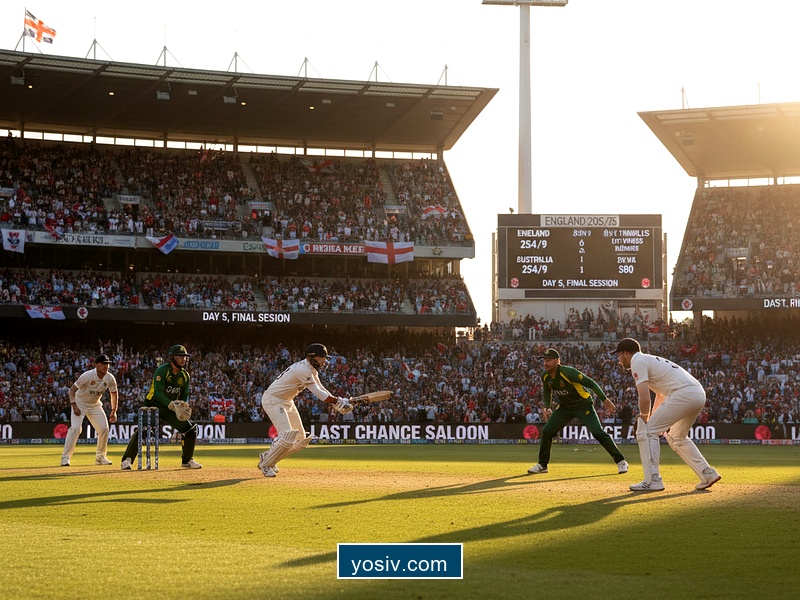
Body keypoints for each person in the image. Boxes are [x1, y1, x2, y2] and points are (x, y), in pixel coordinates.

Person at [611, 337, 721, 492]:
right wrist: (651, 418)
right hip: (697, 393)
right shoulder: (648, 360)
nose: (619, 360)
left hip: (683, 394)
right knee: (675, 437)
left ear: (626, 353)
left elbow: (644, 396)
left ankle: (652, 480)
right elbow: (660, 395)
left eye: (619, 356)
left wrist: (644, 417)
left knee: (648, 432)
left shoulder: (638, 361)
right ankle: (707, 473)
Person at [527, 348, 628, 476]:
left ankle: (621, 461)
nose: (545, 363)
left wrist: (605, 400)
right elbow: (547, 391)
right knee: (547, 431)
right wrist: (547, 406)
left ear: (558, 361)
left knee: (598, 432)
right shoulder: (545, 376)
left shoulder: (568, 372)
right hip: (565, 407)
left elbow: (591, 383)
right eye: (544, 361)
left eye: (549, 360)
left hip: (583, 405)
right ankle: (542, 465)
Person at [257, 343, 352, 477]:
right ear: (312, 357)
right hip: (273, 400)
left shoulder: (311, 369)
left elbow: (322, 388)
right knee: (287, 436)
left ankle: (268, 457)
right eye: (322, 357)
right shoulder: (302, 370)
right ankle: (266, 465)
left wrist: (339, 401)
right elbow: (319, 394)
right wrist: (338, 401)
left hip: (287, 401)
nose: (324, 361)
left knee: (301, 441)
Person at [120, 344, 202, 470]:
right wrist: (171, 404)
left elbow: (184, 395)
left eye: (185, 357)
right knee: (143, 430)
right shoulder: (162, 370)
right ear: (172, 357)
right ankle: (127, 460)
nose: (183, 359)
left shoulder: (185, 376)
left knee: (190, 430)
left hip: (171, 408)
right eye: (180, 356)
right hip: (153, 404)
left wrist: (182, 406)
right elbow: (157, 393)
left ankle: (187, 460)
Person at [60, 354, 118, 466]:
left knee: (104, 429)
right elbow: (72, 391)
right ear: (96, 364)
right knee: (76, 429)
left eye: (108, 364)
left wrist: (114, 410)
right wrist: (74, 405)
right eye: (103, 364)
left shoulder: (110, 378)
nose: (106, 366)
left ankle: (100, 457)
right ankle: (65, 458)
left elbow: (114, 394)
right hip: (80, 403)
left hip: (94, 405)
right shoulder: (87, 376)